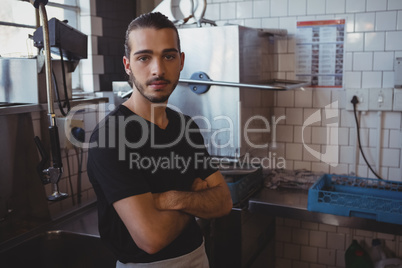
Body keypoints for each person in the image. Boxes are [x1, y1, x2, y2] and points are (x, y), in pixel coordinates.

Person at [87, 12, 233, 268]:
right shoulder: (112, 136)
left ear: (181, 61)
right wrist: (195, 195)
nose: (158, 69)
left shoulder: (185, 126)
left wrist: (173, 199)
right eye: (144, 57)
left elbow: (223, 201)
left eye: (168, 56)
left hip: (199, 258)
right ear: (127, 65)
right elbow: (151, 238)